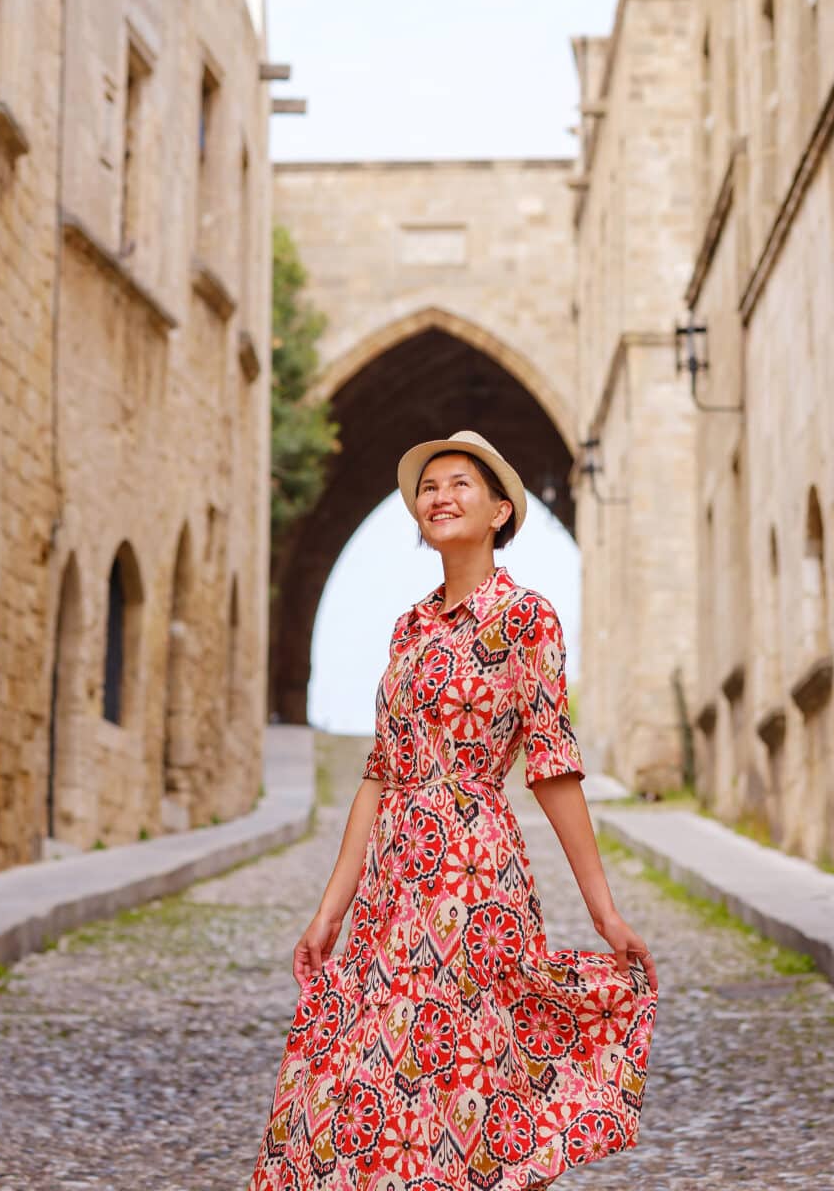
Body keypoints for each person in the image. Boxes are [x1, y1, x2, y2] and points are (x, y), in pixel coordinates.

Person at [249, 429, 658, 1189]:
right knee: (361, 1072)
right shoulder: (408, 628)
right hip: (390, 888)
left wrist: (604, 912)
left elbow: (554, 768)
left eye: (460, 483)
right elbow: (378, 774)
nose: (440, 495)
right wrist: (328, 913)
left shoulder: (526, 619)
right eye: (429, 487)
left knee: (461, 1076)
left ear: (501, 511)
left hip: (473, 882)